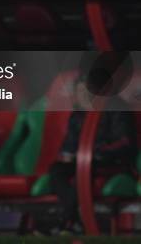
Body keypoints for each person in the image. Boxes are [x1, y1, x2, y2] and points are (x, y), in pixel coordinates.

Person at [37, 79, 137, 236]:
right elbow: (69, 145)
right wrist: (69, 155)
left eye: (87, 92)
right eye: (79, 93)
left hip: (110, 162)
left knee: (82, 173)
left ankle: (65, 221)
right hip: (82, 162)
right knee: (56, 170)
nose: (83, 96)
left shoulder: (116, 108)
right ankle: (73, 221)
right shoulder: (78, 115)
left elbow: (124, 142)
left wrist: (95, 153)